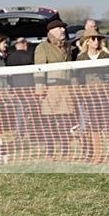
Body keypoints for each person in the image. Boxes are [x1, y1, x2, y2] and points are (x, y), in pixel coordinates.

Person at [34, 19, 77, 160]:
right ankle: (50, 152)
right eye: (59, 28)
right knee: (50, 124)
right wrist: (40, 90)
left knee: (65, 123)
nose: (63, 30)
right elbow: (39, 70)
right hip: (50, 91)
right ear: (51, 31)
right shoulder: (43, 47)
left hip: (66, 90)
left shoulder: (68, 47)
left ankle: (66, 151)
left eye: (64, 28)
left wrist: (75, 88)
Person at [76, 27, 109, 163]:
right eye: (93, 39)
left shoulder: (107, 55)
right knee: (94, 125)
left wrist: (105, 77)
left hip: (106, 94)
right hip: (89, 96)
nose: (96, 41)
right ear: (87, 42)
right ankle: (98, 154)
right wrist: (80, 92)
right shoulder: (81, 58)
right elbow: (77, 77)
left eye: (99, 39)